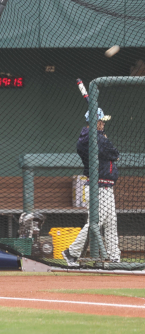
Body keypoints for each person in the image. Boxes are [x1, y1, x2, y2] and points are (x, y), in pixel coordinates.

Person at [62, 108, 120, 266]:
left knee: (110, 222)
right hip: (97, 186)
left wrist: (101, 136)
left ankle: (115, 257)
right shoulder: (94, 139)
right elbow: (115, 154)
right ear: (96, 122)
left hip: (105, 186)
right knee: (96, 222)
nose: (103, 124)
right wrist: (103, 137)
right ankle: (71, 253)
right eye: (101, 122)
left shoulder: (95, 137)